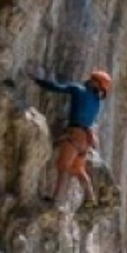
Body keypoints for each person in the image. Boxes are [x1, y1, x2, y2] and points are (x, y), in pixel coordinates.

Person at [29, 68, 112, 206]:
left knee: (62, 166)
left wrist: (37, 80)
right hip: (86, 140)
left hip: (74, 135)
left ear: (96, 83)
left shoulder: (78, 90)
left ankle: (55, 199)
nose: (89, 80)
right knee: (78, 169)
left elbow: (57, 87)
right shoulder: (97, 102)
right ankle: (90, 198)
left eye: (92, 79)